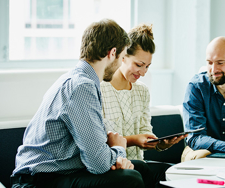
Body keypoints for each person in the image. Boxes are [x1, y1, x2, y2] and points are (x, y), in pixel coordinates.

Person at [11, 19, 154, 188]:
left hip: (63, 171)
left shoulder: (81, 80)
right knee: (130, 179)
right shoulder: (81, 87)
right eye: (122, 57)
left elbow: (96, 152)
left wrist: (115, 156)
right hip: (39, 180)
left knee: (143, 170)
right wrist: (119, 150)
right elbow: (98, 164)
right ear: (112, 53)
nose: (119, 66)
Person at [100, 23, 186, 188]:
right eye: (139, 65)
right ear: (122, 56)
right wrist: (133, 140)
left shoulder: (143, 91)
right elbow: (96, 143)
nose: (143, 72)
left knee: (177, 175)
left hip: (139, 165)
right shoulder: (101, 88)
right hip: (114, 167)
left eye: (147, 66)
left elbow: (145, 132)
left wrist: (161, 144)